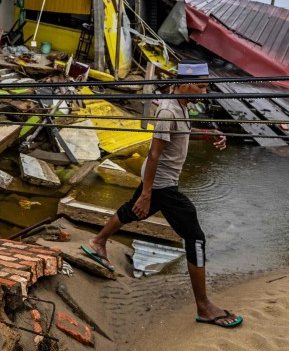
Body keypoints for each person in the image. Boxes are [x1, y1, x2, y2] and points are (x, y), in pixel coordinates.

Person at [83, 80, 243, 329]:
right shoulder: (168, 111)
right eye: (201, 87)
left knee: (132, 211)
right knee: (195, 238)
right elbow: (154, 153)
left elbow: (179, 138)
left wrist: (208, 134)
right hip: (161, 182)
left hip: (160, 179)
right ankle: (204, 307)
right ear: (187, 83)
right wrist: (147, 192)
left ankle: (98, 242)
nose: (204, 92)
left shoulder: (182, 105)